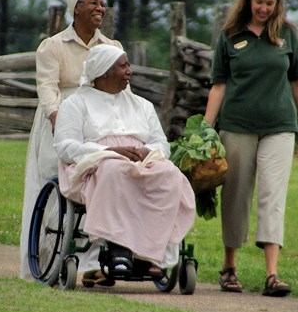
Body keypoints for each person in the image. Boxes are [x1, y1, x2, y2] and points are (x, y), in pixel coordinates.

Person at [204, 0, 298, 297]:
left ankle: (272, 274)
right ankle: (229, 267)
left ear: (278, 4)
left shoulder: (288, 36)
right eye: (259, 1)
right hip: (236, 126)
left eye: (270, 2)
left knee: (272, 196)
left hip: (280, 126)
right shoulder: (229, 36)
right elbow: (219, 85)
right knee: (236, 194)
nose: (264, 8)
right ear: (248, 0)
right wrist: (206, 131)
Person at [53, 44, 196, 284]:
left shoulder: (142, 105)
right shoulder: (75, 104)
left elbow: (161, 143)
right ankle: (118, 248)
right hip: (97, 163)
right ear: (104, 71)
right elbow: (65, 146)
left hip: (142, 162)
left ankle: (149, 255)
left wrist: (146, 151)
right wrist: (108, 151)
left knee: (169, 174)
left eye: (128, 65)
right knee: (115, 170)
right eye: (123, 65)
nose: (129, 71)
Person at [19, 0, 123, 280]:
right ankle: (47, 256)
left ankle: (93, 261)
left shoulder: (111, 46)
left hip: (99, 121)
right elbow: (47, 87)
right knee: (55, 183)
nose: (100, 9)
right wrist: (56, 116)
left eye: (102, 4)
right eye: (93, 2)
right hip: (61, 120)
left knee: (101, 183)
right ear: (75, 9)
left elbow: (122, 88)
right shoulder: (52, 46)